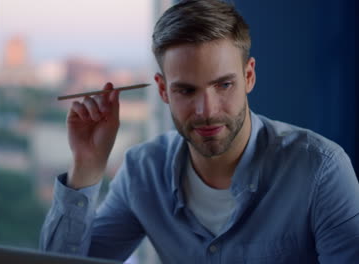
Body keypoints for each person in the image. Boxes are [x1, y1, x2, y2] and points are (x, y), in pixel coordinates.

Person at [39, 0, 359, 263]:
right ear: (163, 91)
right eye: (186, 91)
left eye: (223, 85)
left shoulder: (320, 169)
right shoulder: (143, 171)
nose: (207, 110)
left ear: (248, 77)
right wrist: (87, 166)